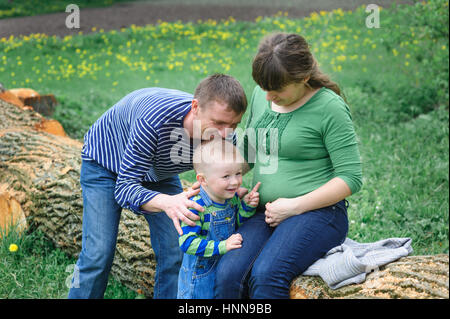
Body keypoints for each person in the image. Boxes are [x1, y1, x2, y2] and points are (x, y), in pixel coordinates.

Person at [68, 74, 247, 299]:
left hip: (158, 172)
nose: (225, 134)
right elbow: (125, 188)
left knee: (176, 249)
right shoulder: (154, 119)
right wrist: (167, 202)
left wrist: (231, 189)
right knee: (98, 253)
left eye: (234, 125)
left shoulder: (225, 136)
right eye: (219, 123)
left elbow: (217, 176)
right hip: (106, 165)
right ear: (195, 107)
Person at [214, 32, 363, 299]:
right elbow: (249, 152)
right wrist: (217, 182)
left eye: (277, 89)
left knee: (267, 274)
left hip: (318, 214)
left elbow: (350, 178)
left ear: (303, 78)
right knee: (228, 274)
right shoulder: (263, 95)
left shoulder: (329, 107)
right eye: (263, 87)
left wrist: (293, 207)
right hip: (264, 211)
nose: (269, 96)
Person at [177, 139, 260, 299]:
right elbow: (187, 243)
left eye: (238, 173)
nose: (235, 181)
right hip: (199, 280)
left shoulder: (230, 197)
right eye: (226, 176)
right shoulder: (196, 206)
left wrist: (246, 207)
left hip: (222, 271)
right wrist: (222, 246)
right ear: (202, 180)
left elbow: (236, 224)